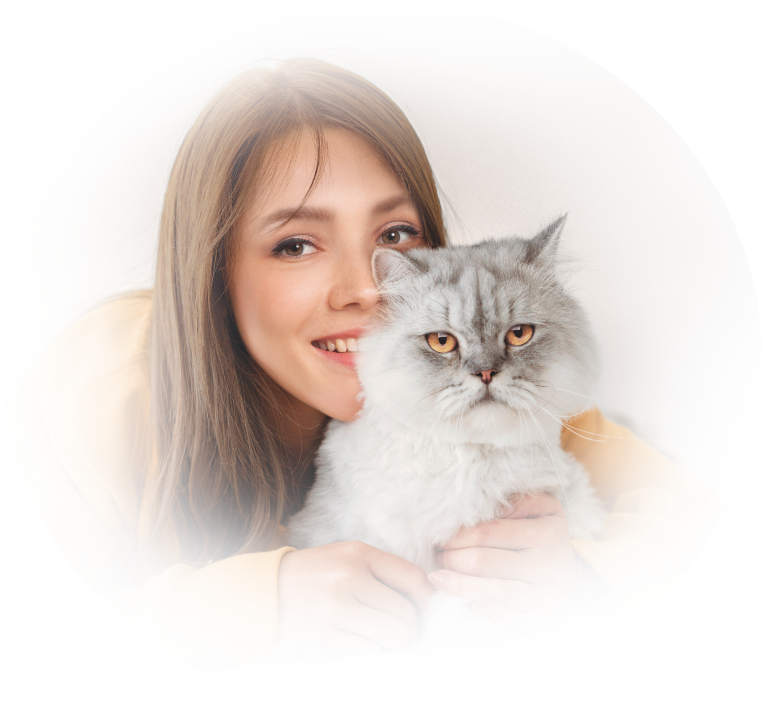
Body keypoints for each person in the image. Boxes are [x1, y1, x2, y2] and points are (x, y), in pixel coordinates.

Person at [8, 57, 720, 670]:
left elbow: (708, 522)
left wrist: (581, 578)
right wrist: (248, 606)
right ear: (213, 271)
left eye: (395, 234)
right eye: (296, 245)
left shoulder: (501, 392)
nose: (367, 291)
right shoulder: (102, 383)